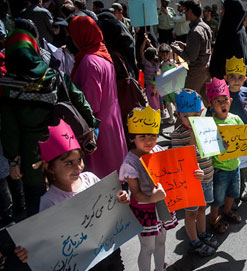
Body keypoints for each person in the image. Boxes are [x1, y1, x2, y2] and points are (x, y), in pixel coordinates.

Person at [15, 121, 137, 271]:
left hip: (101, 248)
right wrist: (28, 251)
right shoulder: (49, 200)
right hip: (77, 258)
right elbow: (44, 237)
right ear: (50, 167)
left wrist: (122, 197)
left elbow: (111, 202)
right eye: (68, 163)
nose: (77, 166)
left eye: (79, 160)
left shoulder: (90, 179)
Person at [0, 27, 98, 216]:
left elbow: (9, 129)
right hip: (64, 147)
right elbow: (81, 102)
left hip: (33, 157)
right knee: (70, 197)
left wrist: (13, 161)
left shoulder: (6, 87)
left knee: (39, 207)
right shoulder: (55, 76)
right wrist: (92, 126)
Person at [119, 107, 181, 271]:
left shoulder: (158, 149)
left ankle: (160, 270)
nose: (149, 141)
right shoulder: (130, 163)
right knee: (148, 247)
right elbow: (135, 193)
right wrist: (151, 198)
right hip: (145, 210)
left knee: (161, 240)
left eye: (153, 136)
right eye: (143, 137)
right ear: (132, 138)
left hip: (160, 206)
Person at [69, 15, 128, 179]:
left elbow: (91, 103)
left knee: (102, 179)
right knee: (115, 176)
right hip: (111, 122)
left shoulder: (89, 62)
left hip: (97, 127)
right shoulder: (103, 56)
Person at [172, 89, 217, 256]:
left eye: (195, 116)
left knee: (202, 208)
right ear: (178, 114)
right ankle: (194, 240)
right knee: (190, 213)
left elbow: (213, 150)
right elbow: (182, 159)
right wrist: (192, 136)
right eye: (185, 116)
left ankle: (203, 233)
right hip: (190, 182)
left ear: (201, 112)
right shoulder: (177, 134)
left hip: (206, 176)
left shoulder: (207, 126)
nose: (190, 120)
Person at [206, 77, 244, 234]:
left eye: (225, 99)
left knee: (233, 193)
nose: (222, 103)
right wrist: (221, 146)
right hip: (219, 167)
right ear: (211, 105)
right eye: (217, 101)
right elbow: (206, 145)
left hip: (235, 164)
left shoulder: (235, 119)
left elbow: (244, 135)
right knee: (218, 197)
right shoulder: (209, 123)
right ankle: (213, 219)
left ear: (231, 100)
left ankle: (227, 212)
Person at [226, 56, 247, 204]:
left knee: (243, 166)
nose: (236, 80)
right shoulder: (223, 93)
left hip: (244, 134)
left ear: (244, 78)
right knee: (228, 165)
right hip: (227, 135)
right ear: (226, 78)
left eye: (239, 77)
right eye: (232, 77)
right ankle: (229, 191)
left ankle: (242, 188)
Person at [171, 0, 212, 105]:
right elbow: (201, 48)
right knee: (208, 100)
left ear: (190, 12)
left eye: (185, 11)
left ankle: (182, 121)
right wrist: (184, 46)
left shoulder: (195, 31)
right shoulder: (205, 26)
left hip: (197, 71)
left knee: (186, 101)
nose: (184, 13)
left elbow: (191, 57)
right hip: (206, 69)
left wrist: (177, 51)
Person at [209, 0, 247, 91]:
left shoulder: (230, 32)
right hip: (238, 84)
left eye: (223, 9)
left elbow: (223, 59)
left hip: (229, 86)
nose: (221, 12)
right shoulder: (239, 29)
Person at [139, 34, 161, 110]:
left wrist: (145, 41)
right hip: (157, 85)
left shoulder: (146, 63)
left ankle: (154, 115)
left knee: (152, 101)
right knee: (157, 100)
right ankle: (159, 113)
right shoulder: (157, 62)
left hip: (149, 85)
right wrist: (150, 44)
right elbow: (156, 52)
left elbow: (141, 50)